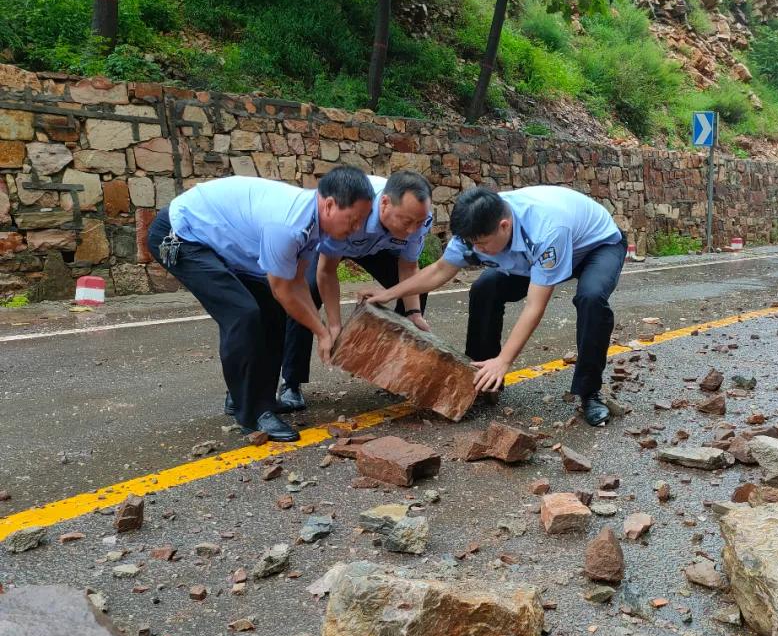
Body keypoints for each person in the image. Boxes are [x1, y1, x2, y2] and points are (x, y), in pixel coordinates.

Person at [363, 185, 627, 427]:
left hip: (596, 247)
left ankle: (589, 392)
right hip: (529, 257)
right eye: (472, 244)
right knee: (484, 289)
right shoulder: (474, 231)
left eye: (482, 244)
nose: (477, 249)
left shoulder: (547, 229)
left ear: (503, 226)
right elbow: (439, 270)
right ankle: (481, 379)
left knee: (591, 298)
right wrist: (390, 293)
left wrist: (505, 361)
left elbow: (535, 306)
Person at [146, 166, 374, 442]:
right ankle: (252, 414)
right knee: (243, 314)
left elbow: (296, 280)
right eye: (355, 219)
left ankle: (255, 398)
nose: (358, 228)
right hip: (181, 234)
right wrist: (323, 332)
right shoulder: (289, 224)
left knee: (272, 312)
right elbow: (283, 290)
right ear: (329, 205)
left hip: (221, 243)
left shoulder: (317, 226)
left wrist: (323, 328)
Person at [277, 170, 434, 409]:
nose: (413, 229)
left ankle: (396, 373)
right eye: (407, 222)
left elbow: (409, 266)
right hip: (346, 237)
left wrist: (413, 313)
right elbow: (327, 271)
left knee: (416, 290)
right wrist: (334, 325)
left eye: (419, 223)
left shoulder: (417, 217)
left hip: (381, 246)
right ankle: (291, 381)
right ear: (384, 204)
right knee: (304, 297)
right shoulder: (353, 210)